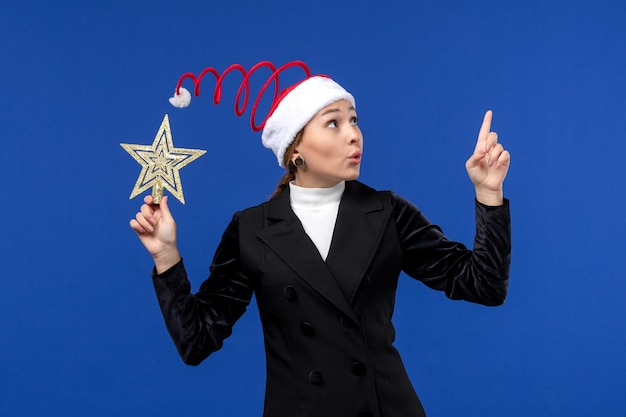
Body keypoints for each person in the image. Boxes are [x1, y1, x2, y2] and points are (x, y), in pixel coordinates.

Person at [129, 64, 511, 417]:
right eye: (333, 123)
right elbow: (197, 340)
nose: (353, 134)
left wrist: (488, 194)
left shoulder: (387, 212)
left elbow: (485, 285)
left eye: (354, 120)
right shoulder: (252, 229)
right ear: (296, 149)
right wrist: (166, 255)